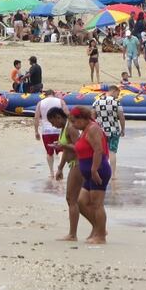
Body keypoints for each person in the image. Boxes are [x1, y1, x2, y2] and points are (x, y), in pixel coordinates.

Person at [69, 106, 111, 244]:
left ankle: (101, 236)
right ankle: (99, 228)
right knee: (81, 202)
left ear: (82, 118)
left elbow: (98, 150)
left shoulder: (93, 129)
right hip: (89, 173)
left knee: (97, 204)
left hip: (98, 171)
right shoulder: (85, 129)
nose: (73, 125)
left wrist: (93, 170)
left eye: (74, 121)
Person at [46, 106, 82, 241]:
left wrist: (62, 146)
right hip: (73, 164)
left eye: (52, 122)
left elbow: (79, 147)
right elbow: (66, 150)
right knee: (78, 201)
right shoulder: (64, 128)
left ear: (58, 117)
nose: (53, 125)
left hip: (79, 164)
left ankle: (73, 234)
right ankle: (98, 227)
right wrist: (60, 167)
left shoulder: (71, 128)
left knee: (72, 199)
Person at [92, 85, 126, 178]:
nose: (117, 96)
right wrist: (123, 129)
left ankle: (102, 172)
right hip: (114, 130)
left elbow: (92, 116)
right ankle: (113, 174)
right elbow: (121, 117)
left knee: (101, 152)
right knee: (112, 152)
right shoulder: (116, 102)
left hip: (100, 132)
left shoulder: (97, 102)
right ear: (113, 91)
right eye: (117, 94)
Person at [34, 89, 68, 177]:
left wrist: (36, 131)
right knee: (60, 150)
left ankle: (51, 172)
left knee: (49, 152)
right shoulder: (60, 101)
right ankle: (60, 168)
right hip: (58, 129)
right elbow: (67, 113)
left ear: (45, 95)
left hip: (46, 131)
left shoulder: (40, 103)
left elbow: (36, 117)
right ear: (53, 94)